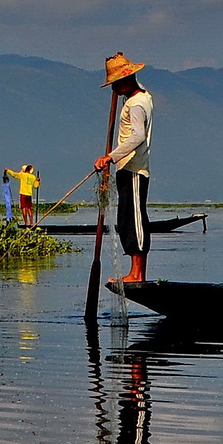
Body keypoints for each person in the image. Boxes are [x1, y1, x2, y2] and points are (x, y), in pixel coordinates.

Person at [93, 53, 153, 284]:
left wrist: (110, 157)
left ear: (125, 80)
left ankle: (138, 274)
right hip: (126, 167)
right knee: (126, 218)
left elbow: (137, 136)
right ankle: (134, 272)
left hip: (135, 168)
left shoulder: (136, 103)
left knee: (135, 219)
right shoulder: (139, 97)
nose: (113, 89)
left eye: (115, 83)